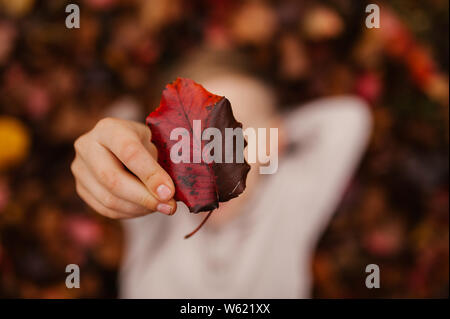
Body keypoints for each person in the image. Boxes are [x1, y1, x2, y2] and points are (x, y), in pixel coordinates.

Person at [71, 50, 372, 298]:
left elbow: (350, 119)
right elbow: (116, 127)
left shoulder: (288, 199)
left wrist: (274, 134)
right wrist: (143, 145)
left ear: (272, 142)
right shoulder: (157, 209)